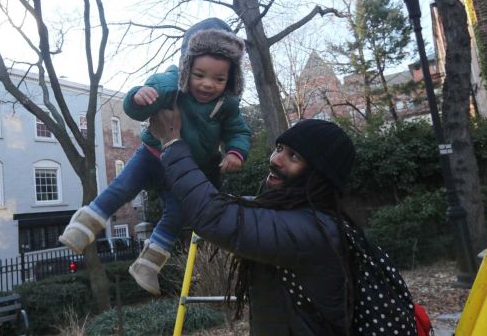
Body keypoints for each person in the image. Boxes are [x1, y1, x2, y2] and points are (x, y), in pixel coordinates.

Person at [148, 109, 418, 335]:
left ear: (319, 176)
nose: (275, 159)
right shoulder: (292, 214)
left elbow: (216, 217)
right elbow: (221, 204)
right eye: (279, 148)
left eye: (294, 156)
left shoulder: (312, 230)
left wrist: (172, 143)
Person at [58, 18, 251, 295]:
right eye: (200, 75)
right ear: (186, 68)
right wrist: (138, 97)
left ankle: (148, 265)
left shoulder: (227, 105)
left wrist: (235, 152)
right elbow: (137, 109)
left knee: (176, 214)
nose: (208, 84)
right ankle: (83, 226)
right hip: (152, 154)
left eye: (219, 79)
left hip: (184, 168)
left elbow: (239, 132)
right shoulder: (169, 83)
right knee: (123, 187)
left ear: (231, 78)